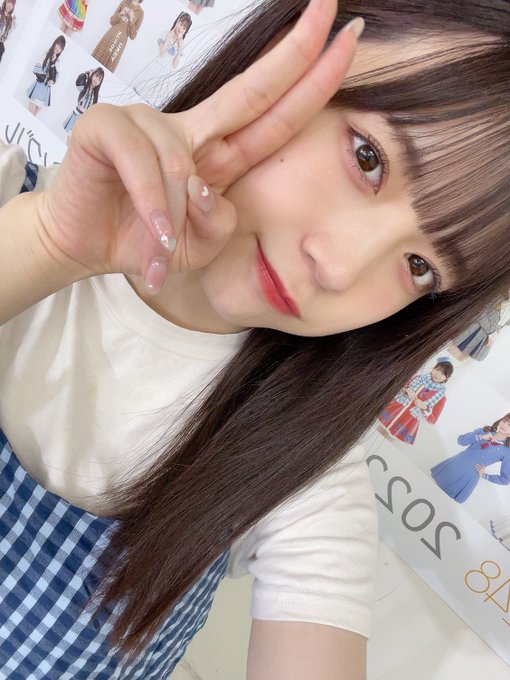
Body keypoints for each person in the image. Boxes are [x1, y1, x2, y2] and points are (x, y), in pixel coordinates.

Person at [1, 0, 510, 676]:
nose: (339, 269)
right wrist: (49, 245)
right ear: (282, 59)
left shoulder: (306, 483)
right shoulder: (12, 193)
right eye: (368, 158)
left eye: (420, 267)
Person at [431, 414, 510, 503]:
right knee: (429, 488)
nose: (504, 425)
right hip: (455, 465)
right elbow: (461, 441)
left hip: (468, 476)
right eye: (504, 421)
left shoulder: (507, 451)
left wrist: (485, 475)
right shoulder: (484, 431)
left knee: (442, 502)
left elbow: (505, 479)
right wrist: (481, 437)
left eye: (509, 425)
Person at [377, 359, 453, 445]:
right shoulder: (418, 378)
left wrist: (425, 407)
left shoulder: (441, 397)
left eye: (442, 373)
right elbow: (399, 387)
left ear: (447, 378)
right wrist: (407, 390)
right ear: (433, 368)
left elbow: (433, 420)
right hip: (391, 412)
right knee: (374, 435)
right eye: (437, 369)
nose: (438, 374)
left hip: (405, 423)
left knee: (385, 444)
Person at [133, 12, 192, 108]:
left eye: (184, 28)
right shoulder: (165, 33)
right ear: (177, 22)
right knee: (138, 100)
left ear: (185, 31)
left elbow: (174, 65)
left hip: (165, 76)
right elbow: (162, 54)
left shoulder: (181, 44)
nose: (181, 28)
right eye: (181, 24)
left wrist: (180, 47)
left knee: (150, 106)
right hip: (155, 70)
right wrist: (170, 35)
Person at [92, 0, 144, 73]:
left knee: (109, 66)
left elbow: (133, 36)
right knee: (96, 59)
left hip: (120, 42)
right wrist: (121, 13)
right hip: (110, 36)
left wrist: (131, 19)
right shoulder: (124, 2)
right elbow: (112, 21)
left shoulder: (140, 12)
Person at [26, 35, 66, 116]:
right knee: (29, 114)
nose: (58, 48)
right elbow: (36, 69)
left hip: (46, 92)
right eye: (58, 44)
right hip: (38, 87)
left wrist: (53, 81)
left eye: (61, 47)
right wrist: (46, 79)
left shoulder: (57, 62)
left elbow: (55, 78)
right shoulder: (45, 54)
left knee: (33, 116)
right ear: (54, 43)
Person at [63, 67, 104, 135]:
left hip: (84, 120)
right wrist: (87, 73)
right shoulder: (85, 87)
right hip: (76, 116)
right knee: (70, 137)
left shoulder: (95, 95)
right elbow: (78, 82)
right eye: (96, 76)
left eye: (100, 79)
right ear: (92, 74)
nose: (97, 80)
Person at [0, 0, 16, 64]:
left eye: (12, 4)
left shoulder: (10, 20)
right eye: (9, 2)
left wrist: (12, 25)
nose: (9, 5)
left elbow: (8, 38)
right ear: (5, 2)